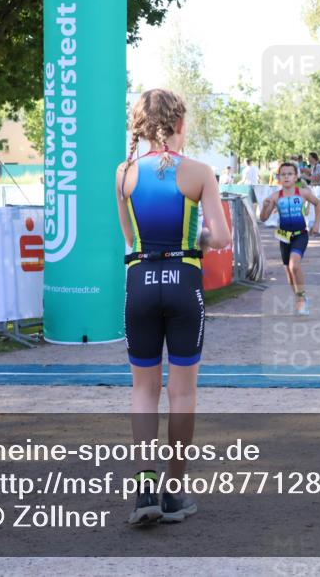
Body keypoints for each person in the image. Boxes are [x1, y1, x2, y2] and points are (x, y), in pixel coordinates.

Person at [115, 88, 232, 525]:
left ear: (140, 127)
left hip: (140, 281)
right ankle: (174, 492)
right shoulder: (199, 172)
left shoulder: (124, 173)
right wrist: (196, 238)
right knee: (182, 393)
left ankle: (145, 488)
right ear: (181, 123)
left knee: (143, 391)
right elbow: (221, 238)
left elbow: (131, 238)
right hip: (183, 282)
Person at [259, 162, 320, 315]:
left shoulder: (303, 193)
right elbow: (263, 218)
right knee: (289, 271)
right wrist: (265, 206)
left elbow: (317, 203)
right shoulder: (275, 197)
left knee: (294, 266)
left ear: (295, 177)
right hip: (284, 237)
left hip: (300, 235)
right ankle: (298, 299)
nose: (286, 177)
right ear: (279, 178)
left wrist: (316, 224)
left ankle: (302, 299)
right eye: (283, 174)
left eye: (290, 174)